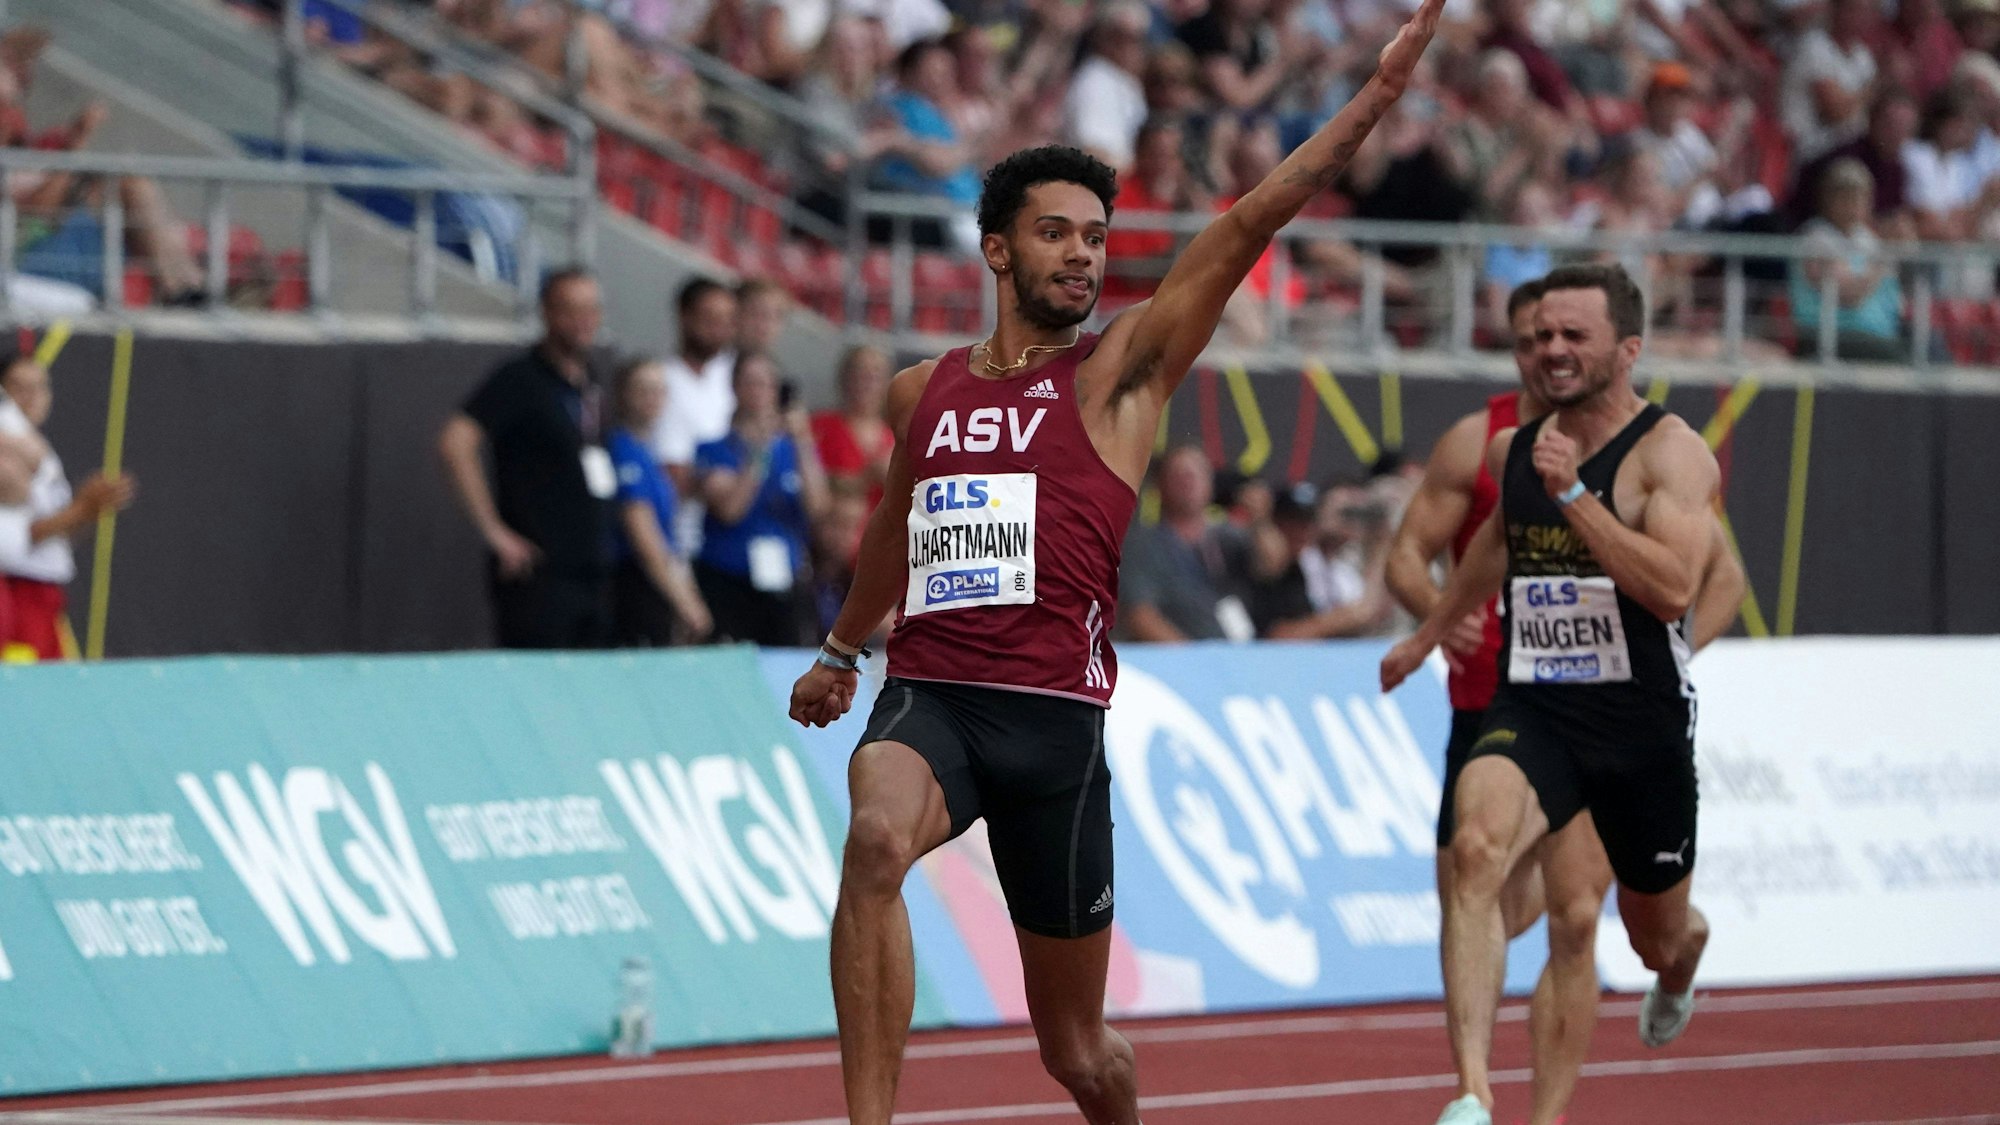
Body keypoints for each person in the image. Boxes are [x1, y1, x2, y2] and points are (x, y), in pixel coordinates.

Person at [786, 1, 1447, 1120]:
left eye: (1094, 237)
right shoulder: (922, 391)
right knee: (873, 842)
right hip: (933, 694)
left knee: (1078, 1053)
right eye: (1056, 234)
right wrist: (843, 650)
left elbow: (1243, 225)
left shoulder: (1118, 374)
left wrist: (1368, 106)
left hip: (1053, 731)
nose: (1082, 255)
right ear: (997, 247)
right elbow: (893, 530)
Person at [1384, 278, 1745, 1125]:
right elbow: (1491, 550)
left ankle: (1683, 957)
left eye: (1573, 335)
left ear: (1627, 350)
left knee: (1646, 928)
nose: (1552, 349)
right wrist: (1430, 631)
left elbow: (1672, 588)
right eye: (1540, 334)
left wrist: (1577, 495)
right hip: (1536, 700)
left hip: (1636, 725)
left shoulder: (1672, 454)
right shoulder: (1515, 447)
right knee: (1474, 850)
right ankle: (1473, 1092)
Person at [439, 269, 617, 649]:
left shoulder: (591, 382)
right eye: (571, 310)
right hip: (541, 573)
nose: (583, 321)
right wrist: (495, 532)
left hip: (595, 569)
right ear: (548, 313)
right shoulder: (520, 378)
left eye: (591, 310)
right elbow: (456, 442)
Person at [0, 355, 135, 661]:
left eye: (40, 387)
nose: (32, 398)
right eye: (19, 388)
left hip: (44, 591)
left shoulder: (38, 451)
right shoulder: (10, 449)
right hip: (21, 588)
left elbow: (56, 532)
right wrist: (82, 508)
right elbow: (18, 533)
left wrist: (89, 510)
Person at [693, 353, 832, 645]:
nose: (759, 392)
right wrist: (760, 449)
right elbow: (731, 509)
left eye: (767, 384)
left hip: (784, 582)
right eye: (750, 383)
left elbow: (818, 509)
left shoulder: (793, 450)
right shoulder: (714, 449)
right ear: (735, 388)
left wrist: (803, 442)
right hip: (728, 580)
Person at [607, 359, 712, 647]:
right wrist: (685, 602)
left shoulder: (648, 453)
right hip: (636, 585)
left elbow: (668, 539)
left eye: (659, 390)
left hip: (659, 585)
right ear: (624, 394)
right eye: (643, 390)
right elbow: (645, 539)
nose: (652, 399)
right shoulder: (623, 450)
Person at [1118, 445, 1260, 642]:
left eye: (1197, 472)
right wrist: (1192, 661)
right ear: (1159, 485)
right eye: (1178, 475)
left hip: (1242, 657)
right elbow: (1140, 616)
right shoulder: (1142, 544)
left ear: (1211, 481)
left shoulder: (1231, 536)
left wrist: (1262, 521)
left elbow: (1273, 566)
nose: (1188, 481)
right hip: (1176, 663)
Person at [652, 277, 739, 496]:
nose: (719, 329)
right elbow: (669, 469)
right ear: (685, 316)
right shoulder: (661, 379)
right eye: (710, 318)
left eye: (727, 320)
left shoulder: (737, 377)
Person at [811, 344, 896, 515]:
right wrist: (864, 479)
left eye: (875, 376)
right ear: (844, 378)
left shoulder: (896, 438)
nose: (867, 384)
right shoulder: (818, 427)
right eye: (860, 374)